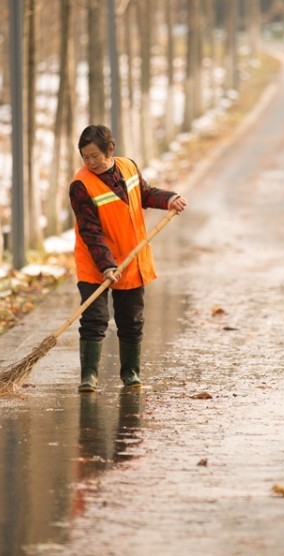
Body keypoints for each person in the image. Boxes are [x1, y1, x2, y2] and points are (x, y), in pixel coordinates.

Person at [69, 124, 188, 393]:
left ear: (110, 150)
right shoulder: (81, 185)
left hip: (131, 257)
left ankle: (131, 374)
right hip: (96, 261)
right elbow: (90, 231)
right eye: (85, 157)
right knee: (94, 319)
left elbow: (144, 194)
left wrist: (169, 199)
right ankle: (89, 377)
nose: (90, 162)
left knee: (131, 320)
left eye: (94, 156)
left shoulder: (129, 167)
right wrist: (106, 265)